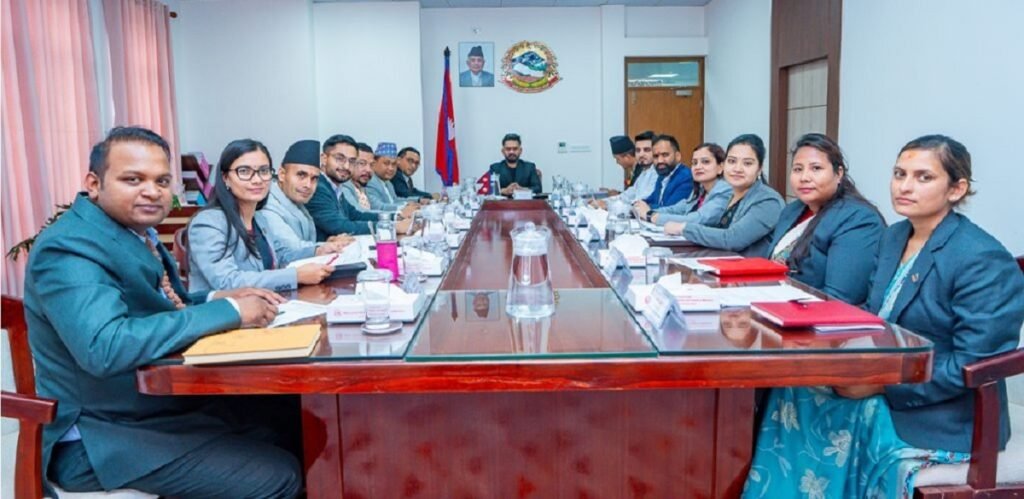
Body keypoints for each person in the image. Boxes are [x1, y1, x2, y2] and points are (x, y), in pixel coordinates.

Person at [23, 126, 300, 498]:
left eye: (162, 181)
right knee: (278, 476)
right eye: (133, 179)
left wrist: (222, 298)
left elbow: (167, 307)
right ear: (94, 183)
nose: (152, 191)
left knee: (293, 419)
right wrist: (231, 310)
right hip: (101, 437)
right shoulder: (70, 248)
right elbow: (105, 346)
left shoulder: (131, 232)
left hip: (153, 409)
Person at [744, 134, 1024, 498]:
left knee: (848, 411)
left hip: (948, 409)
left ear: (956, 189)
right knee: (795, 388)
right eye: (899, 174)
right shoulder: (894, 237)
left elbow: (973, 363)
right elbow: (875, 313)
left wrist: (881, 385)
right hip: (887, 370)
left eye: (924, 177)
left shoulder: (981, 257)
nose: (905, 186)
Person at [188, 138, 334, 293]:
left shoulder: (259, 218)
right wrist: (295, 276)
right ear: (225, 178)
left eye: (263, 171)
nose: (257, 180)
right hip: (225, 307)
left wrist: (317, 251)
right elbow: (228, 281)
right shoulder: (208, 223)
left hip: (266, 302)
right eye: (244, 171)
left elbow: (281, 256)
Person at [764, 133, 885, 304]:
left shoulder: (858, 219)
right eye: (798, 169)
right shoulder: (791, 211)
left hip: (816, 315)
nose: (804, 177)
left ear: (838, 174)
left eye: (816, 168)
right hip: (771, 303)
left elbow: (839, 298)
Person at [673, 134, 784, 256]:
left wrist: (684, 228)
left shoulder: (769, 201)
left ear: (759, 169)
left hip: (749, 267)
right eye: (732, 161)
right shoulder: (730, 193)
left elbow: (733, 239)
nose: (737, 169)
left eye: (747, 163)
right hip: (720, 262)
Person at [261, 139, 354, 253]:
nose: (308, 185)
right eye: (301, 175)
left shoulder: (296, 200)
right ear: (282, 174)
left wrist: (327, 243)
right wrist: (323, 246)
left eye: (314, 178)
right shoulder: (267, 206)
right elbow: (292, 250)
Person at [638, 142, 731, 229]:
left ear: (720, 167)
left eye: (705, 162)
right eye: (694, 163)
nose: (698, 167)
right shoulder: (701, 190)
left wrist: (651, 216)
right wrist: (646, 210)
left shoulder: (725, 191)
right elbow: (677, 209)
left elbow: (697, 219)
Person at [306, 134, 378, 239]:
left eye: (352, 161)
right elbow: (340, 227)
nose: (346, 166)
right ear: (324, 159)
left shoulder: (335, 187)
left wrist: (394, 218)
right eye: (340, 159)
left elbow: (356, 215)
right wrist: (388, 226)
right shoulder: (317, 187)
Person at [593, 131, 657, 209]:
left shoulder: (657, 173)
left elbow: (640, 202)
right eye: (638, 150)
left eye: (647, 150)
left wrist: (608, 205)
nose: (641, 154)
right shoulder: (645, 172)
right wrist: (605, 201)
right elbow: (628, 195)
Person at [632, 134, 693, 211]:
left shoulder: (686, 177)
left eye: (665, 155)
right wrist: (637, 204)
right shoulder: (662, 175)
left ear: (678, 156)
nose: (660, 161)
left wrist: (647, 208)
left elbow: (671, 209)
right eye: (656, 156)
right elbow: (652, 199)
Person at [364, 141, 419, 216]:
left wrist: (416, 201)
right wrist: (404, 208)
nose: (391, 168)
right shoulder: (370, 181)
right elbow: (378, 207)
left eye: (394, 164)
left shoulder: (388, 182)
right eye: (386, 163)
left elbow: (395, 200)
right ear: (374, 163)